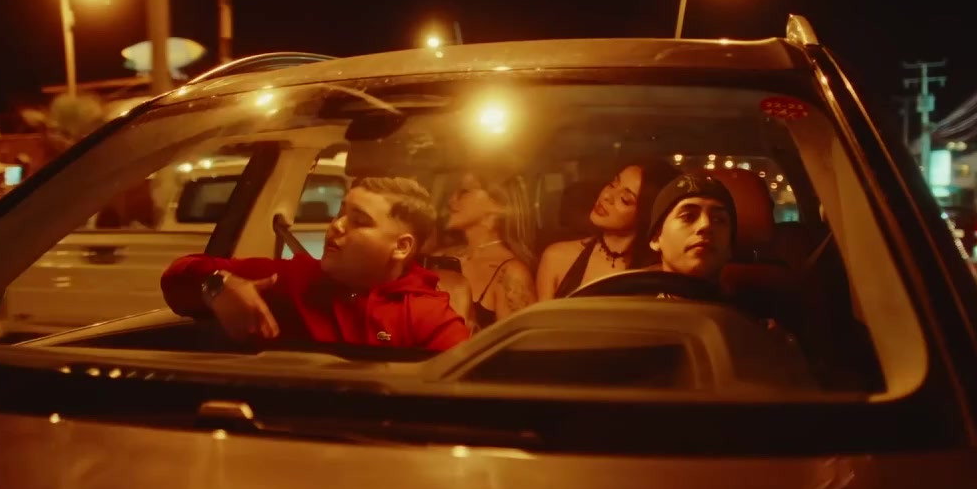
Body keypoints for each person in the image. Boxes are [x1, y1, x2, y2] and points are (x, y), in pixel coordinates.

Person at [161, 176, 471, 351]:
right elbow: (177, 274)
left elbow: (457, 398)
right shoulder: (291, 279)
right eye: (341, 213)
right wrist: (217, 285)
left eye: (359, 221)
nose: (336, 226)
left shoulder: (428, 316)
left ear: (401, 247)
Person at [535, 159, 679, 300]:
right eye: (612, 184)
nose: (606, 196)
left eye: (624, 199)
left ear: (646, 214)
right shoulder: (557, 257)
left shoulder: (662, 275)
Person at [438, 172, 538, 327]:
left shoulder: (510, 274)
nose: (452, 200)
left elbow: (519, 340)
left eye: (464, 192)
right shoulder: (438, 258)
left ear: (496, 204)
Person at [643, 172, 736, 284]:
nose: (705, 225)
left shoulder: (750, 294)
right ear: (656, 237)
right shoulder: (629, 292)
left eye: (718, 220)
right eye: (688, 216)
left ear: (730, 245)